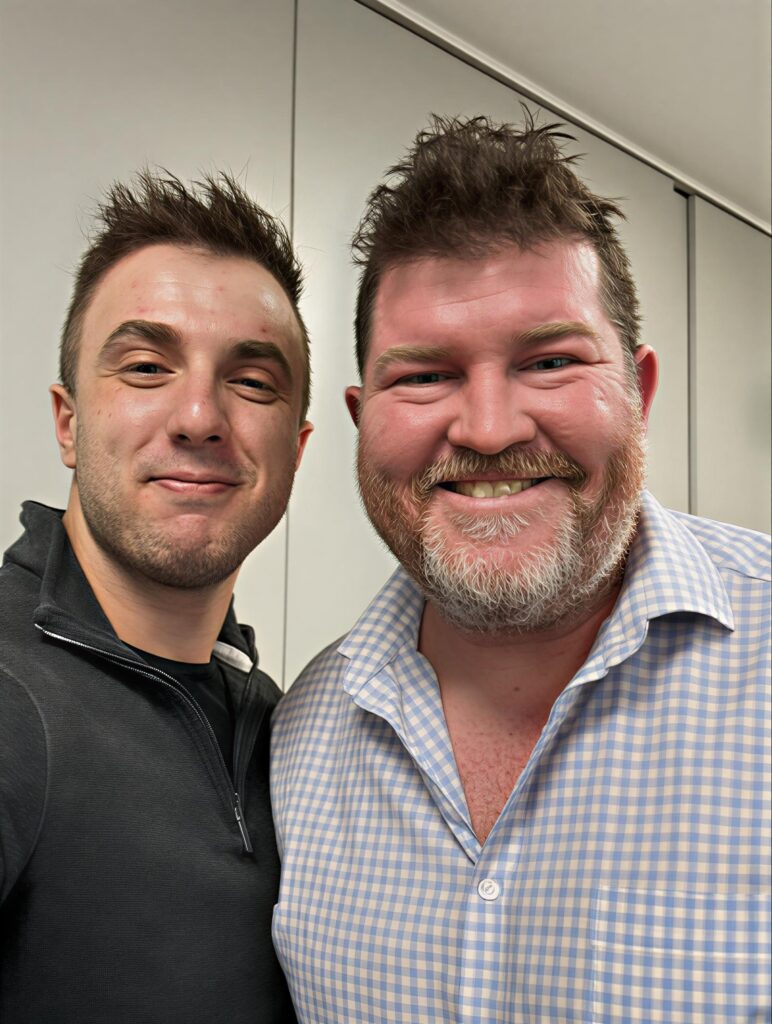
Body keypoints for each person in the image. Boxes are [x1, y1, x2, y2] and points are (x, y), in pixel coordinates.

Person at [271, 116, 771, 1023]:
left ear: (639, 391)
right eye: (424, 377)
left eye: (549, 362)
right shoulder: (299, 734)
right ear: (361, 419)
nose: (490, 430)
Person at [0, 171, 312, 1023]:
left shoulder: (287, 725)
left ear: (296, 448)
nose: (199, 416)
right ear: (68, 421)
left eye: (253, 382)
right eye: (146, 368)